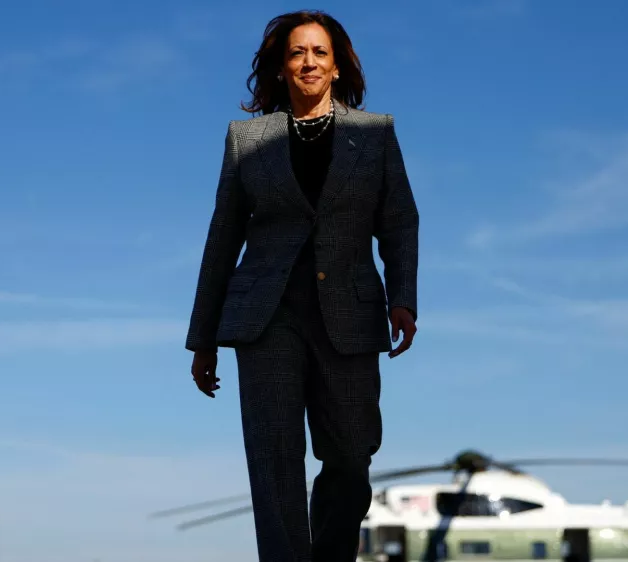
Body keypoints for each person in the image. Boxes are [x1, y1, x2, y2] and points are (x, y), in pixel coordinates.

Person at [184, 10, 419, 562]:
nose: (308, 62)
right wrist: (203, 338)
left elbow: (400, 220)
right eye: (296, 53)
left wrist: (403, 296)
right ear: (281, 67)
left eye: (319, 52)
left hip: (351, 318)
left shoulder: (375, 133)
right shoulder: (247, 139)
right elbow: (222, 239)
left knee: (350, 456)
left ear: (337, 67)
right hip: (266, 321)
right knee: (275, 462)